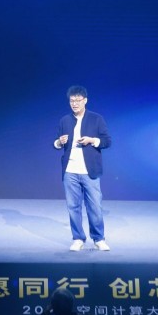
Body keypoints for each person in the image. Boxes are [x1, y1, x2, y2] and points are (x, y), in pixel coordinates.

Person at [53, 85, 112, 252]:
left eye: (78, 100)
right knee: (73, 207)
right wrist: (59, 142)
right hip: (70, 171)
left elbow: (107, 141)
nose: (74, 103)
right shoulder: (64, 120)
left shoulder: (96, 119)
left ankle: (99, 239)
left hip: (89, 170)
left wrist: (92, 140)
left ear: (85, 100)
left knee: (95, 207)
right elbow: (56, 143)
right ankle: (78, 238)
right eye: (72, 101)